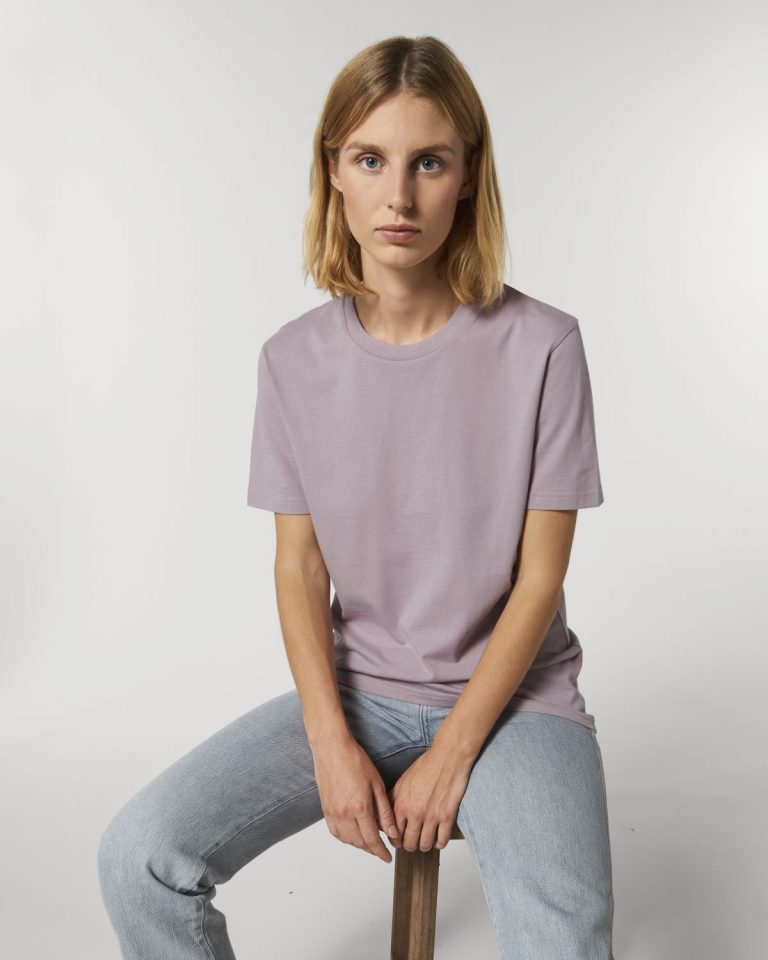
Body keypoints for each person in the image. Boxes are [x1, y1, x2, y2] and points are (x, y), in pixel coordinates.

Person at [97, 34, 615, 959]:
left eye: (429, 162)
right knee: (140, 857)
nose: (399, 196)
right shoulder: (292, 361)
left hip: (517, 700)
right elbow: (298, 568)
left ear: (469, 174)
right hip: (359, 691)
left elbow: (540, 580)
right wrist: (331, 743)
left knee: (564, 943)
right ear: (334, 171)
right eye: (371, 159)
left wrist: (452, 752)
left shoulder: (543, 346)